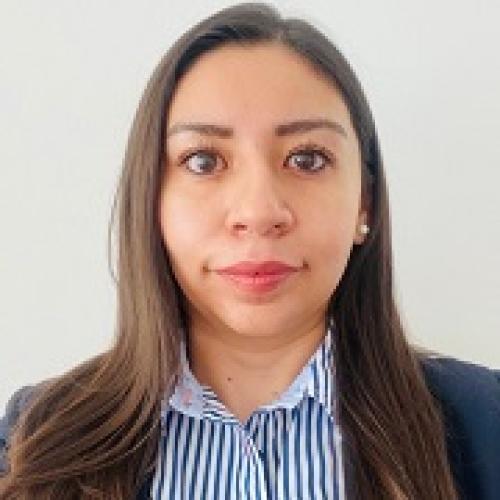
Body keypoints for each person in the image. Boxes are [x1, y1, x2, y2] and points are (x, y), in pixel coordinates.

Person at [1, 2, 499, 499]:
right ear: (150, 199)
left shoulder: (486, 424)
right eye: (203, 161)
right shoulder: (33, 443)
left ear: (364, 202)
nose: (259, 212)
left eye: (307, 159)